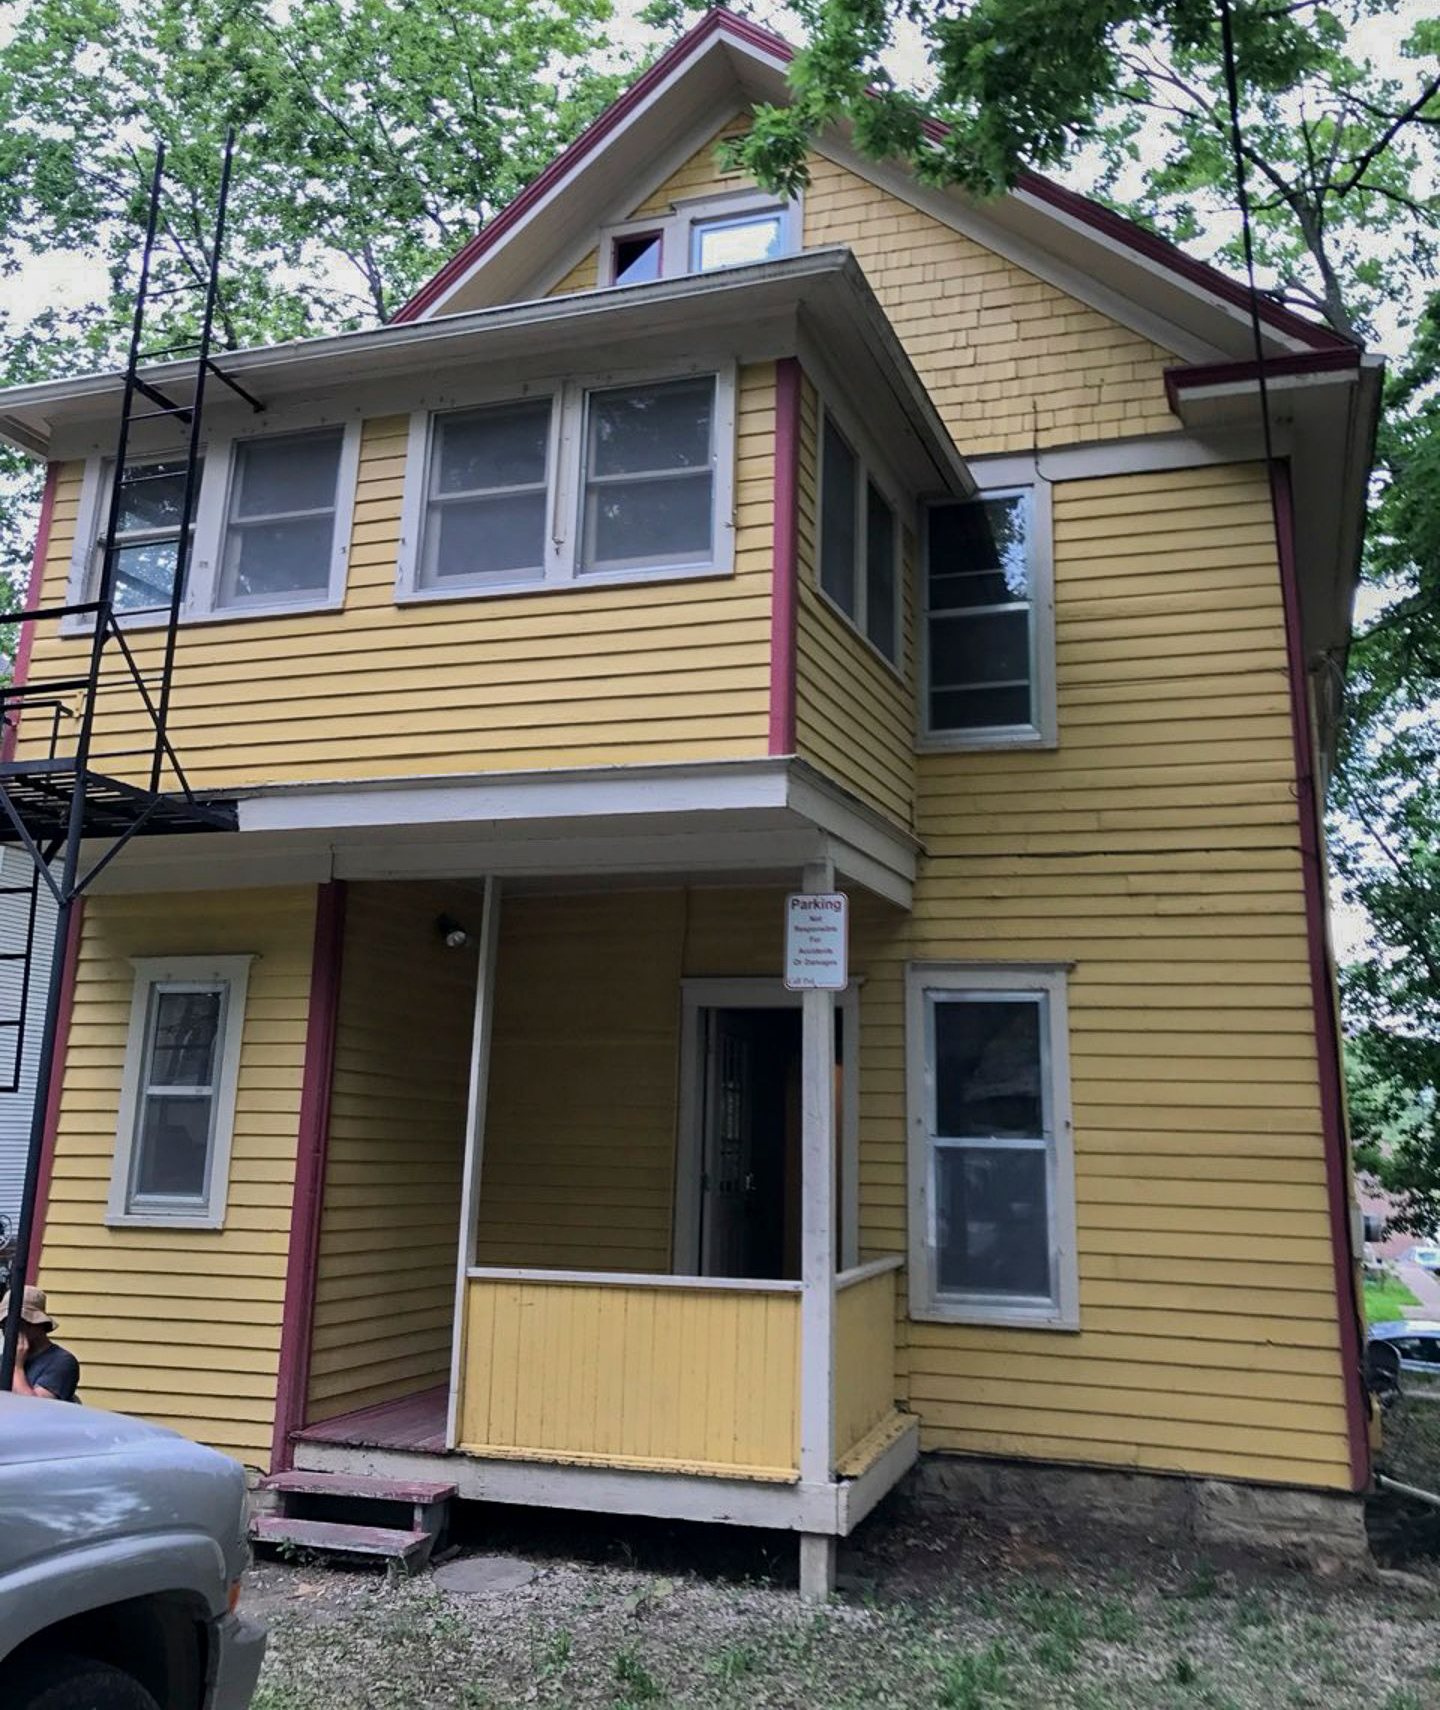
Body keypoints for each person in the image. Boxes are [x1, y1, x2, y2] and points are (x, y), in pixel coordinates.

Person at [0, 1285, 79, 1401]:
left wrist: (17, 1367)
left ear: (37, 1325)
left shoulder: (61, 1362)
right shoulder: (4, 1360)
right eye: (4, 1325)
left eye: (17, 1324)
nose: (7, 1331)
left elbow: (33, 1410)